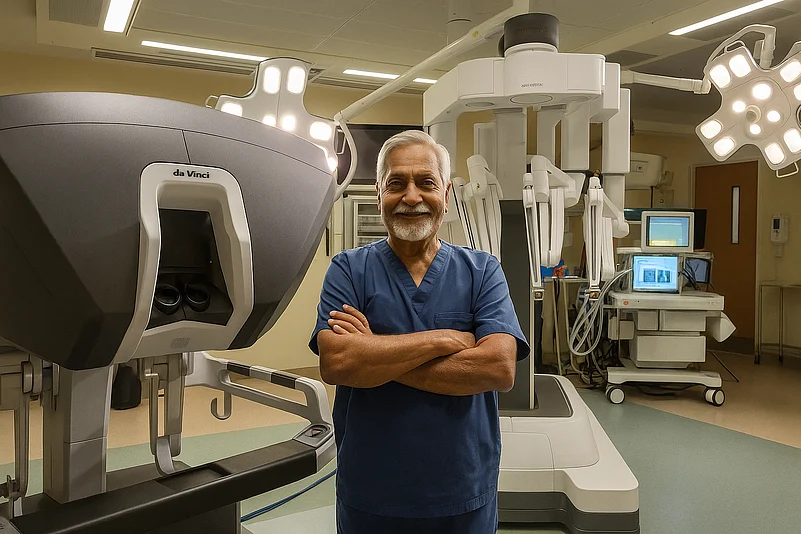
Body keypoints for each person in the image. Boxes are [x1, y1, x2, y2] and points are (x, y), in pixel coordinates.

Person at [309, 130, 529, 534]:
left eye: (426, 183)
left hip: (462, 490)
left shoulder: (482, 271)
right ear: (379, 195)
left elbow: (499, 368)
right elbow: (337, 362)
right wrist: (443, 341)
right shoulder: (348, 270)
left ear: (446, 195)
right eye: (397, 184)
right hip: (373, 492)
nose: (411, 197)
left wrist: (373, 353)